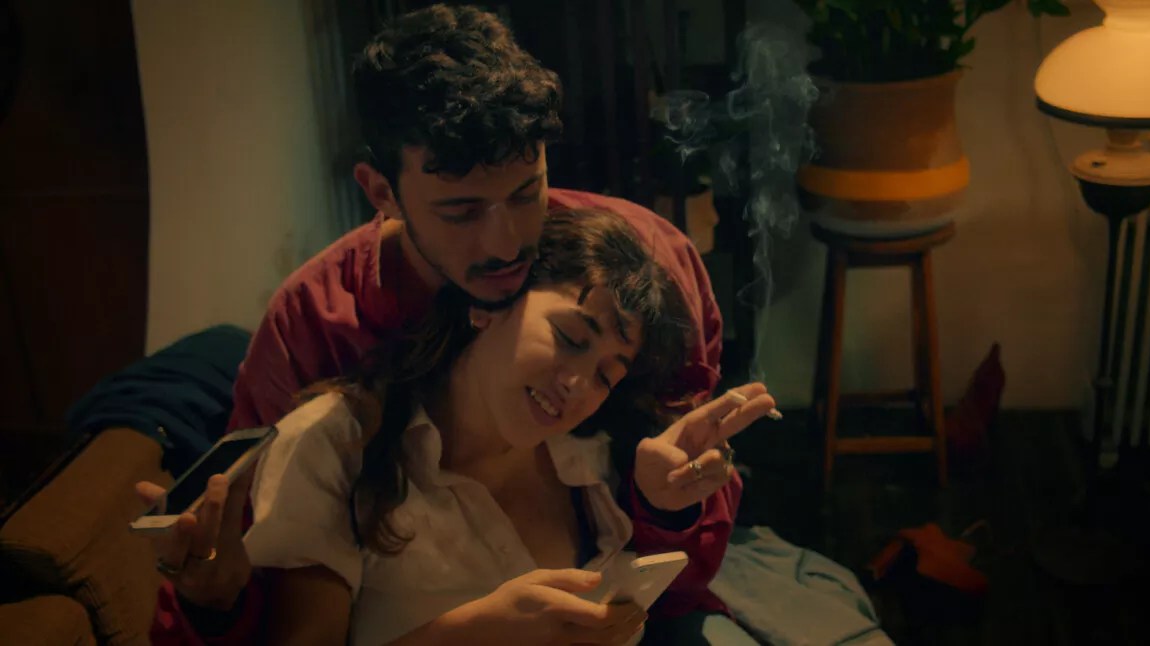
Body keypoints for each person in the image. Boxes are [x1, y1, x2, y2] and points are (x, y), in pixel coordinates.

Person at [137, 4, 749, 643]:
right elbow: (257, 580)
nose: (506, 244)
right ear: (382, 193)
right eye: (461, 211)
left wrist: (663, 511)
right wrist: (216, 595)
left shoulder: (642, 262)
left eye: (526, 193)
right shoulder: (314, 327)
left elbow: (683, 560)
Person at [240, 208, 774, 645]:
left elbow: (679, 595)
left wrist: (662, 508)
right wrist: (474, 632)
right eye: (570, 338)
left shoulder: (590, 456)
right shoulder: (337, 442)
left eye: (605, 376)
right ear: (490, 304)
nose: (576, 385)